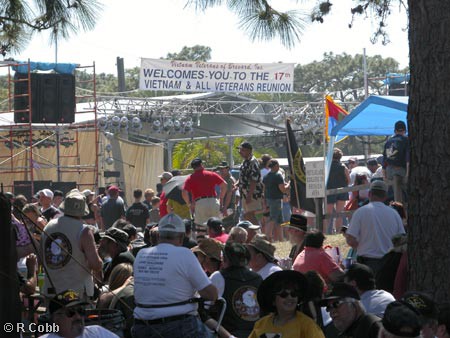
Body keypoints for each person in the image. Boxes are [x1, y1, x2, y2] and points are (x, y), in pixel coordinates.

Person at [132, 213, 218, 338]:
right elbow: (211, 294)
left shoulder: (141, 254)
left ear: (159, 235)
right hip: (179, 326)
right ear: (181, 236)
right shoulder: (184, 254)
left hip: (141, 327)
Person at [41, 190, 102, 299]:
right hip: (76, 294)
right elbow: (96, 265)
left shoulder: (48, 226)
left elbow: (41, 258)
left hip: (51, 290)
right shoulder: (84, 230)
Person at [345, 180, 405, 274]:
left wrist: (362, 246)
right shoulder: (394, 214)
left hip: (366, 264)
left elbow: (350, 239)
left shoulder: (360, 212)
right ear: (385, 196)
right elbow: (401, 238)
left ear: (369, 194)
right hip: (390, 263)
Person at [249, 270, 325, 338]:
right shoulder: (261, 325)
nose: (290, 297)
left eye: (293, 294)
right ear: (273, 300)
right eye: (283, 294)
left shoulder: (307, 326)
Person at [209, 242, 262, 337]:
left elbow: (206, 306)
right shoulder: (257, 277)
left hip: (229, 333)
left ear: (225, 259)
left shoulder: (218, 276)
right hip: (256, 332)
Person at [40, 289, 119, 338]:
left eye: (80, 310)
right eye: (71, 312)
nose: (78, 316)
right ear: (56, 319)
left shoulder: (98, 332)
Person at [182, 158, 227, 232]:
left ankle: (202, 242)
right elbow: (224, 185)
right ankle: (218, 241)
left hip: (200, 203)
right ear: (201, 165)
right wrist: (220, 198)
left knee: (201, 228)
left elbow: (184, 192)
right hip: (213, 201)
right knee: (216, 226)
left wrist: (189, 204)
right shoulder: (211, 174)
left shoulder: (190, 178)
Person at [236, 141, 264, 225]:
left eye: (242, 150)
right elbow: (244, 176)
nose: (240, 152)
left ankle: (257, 234)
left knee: (251, 215)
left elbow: (254, 180)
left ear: (249, 151)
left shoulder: (253, 162)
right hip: (245, 194)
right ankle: (255, 234)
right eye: (240, 150)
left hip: (253, 194)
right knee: (247, 216)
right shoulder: (245, 162)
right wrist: (237, 184)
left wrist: (249, 196)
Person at [263, 159, 290, 242]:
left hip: (269, 199)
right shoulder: (278, 176)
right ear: (275, 166)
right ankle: (267, 237)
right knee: (272, 219)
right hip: (276, 200)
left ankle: (281, 239)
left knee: (279, 220)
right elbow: (283, 189)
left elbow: (264, 189)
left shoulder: (266, 176)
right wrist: (289, 183)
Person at [383, 120, 410, 203]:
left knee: (394, 192)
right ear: (405, 130)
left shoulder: (388, 142)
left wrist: (384, 176)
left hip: (389, 171)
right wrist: (407, 175)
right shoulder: (406, 140)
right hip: (400, 171)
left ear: (395, 131)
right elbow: (408, 160)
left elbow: (384, 161)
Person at [325, 148, 350, 234]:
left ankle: (326, 232)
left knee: (328, 214)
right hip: (342, 191)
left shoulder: (327, 167)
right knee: (339, 214)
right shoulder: (343, 167)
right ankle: (338, 231)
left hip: (329, 191)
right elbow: (349, 180)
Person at [217, 161, 237, 230]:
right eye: (220, 169)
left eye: (223, 168)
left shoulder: (229, 180)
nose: (221, 170)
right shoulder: (225, 179)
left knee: (227, 227)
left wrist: (224, 207)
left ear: (228, 169)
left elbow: (229, 195)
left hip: (229, 205)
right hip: (227, 204)